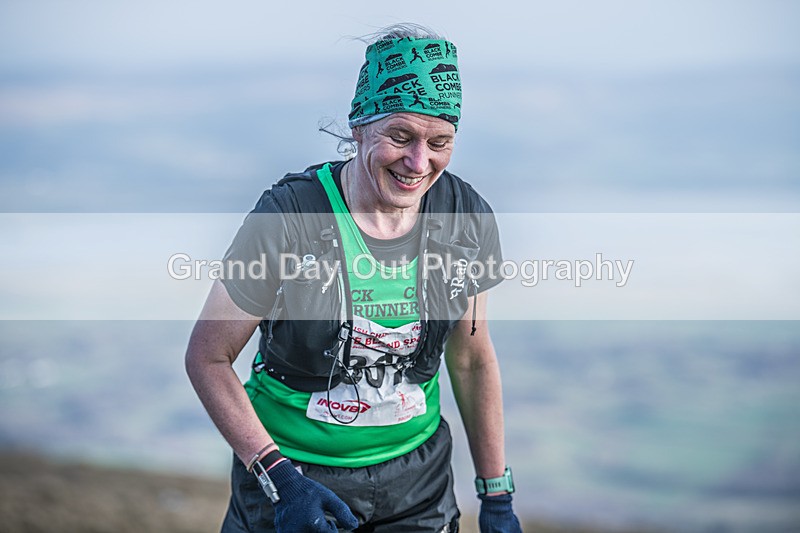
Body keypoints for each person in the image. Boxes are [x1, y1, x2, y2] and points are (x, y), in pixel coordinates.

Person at [185, 23, 522, 533]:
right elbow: (208, 357)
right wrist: (281, 480)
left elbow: (473, 359)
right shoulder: (290, 217)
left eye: (440, 142)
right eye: (400, 136)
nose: (418, 162)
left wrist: (496, 496)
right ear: (359, 125)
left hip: (418, 485)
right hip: (294, 476)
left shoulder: (465, 218)